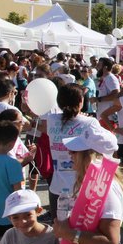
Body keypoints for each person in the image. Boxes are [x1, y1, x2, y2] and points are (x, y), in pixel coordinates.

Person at [43, 84, 99, 221]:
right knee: (81, 233)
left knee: (60, 231)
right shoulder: (90, 122)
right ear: (81, 101)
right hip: (82, 188)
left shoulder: (51, 120)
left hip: (57, 187)